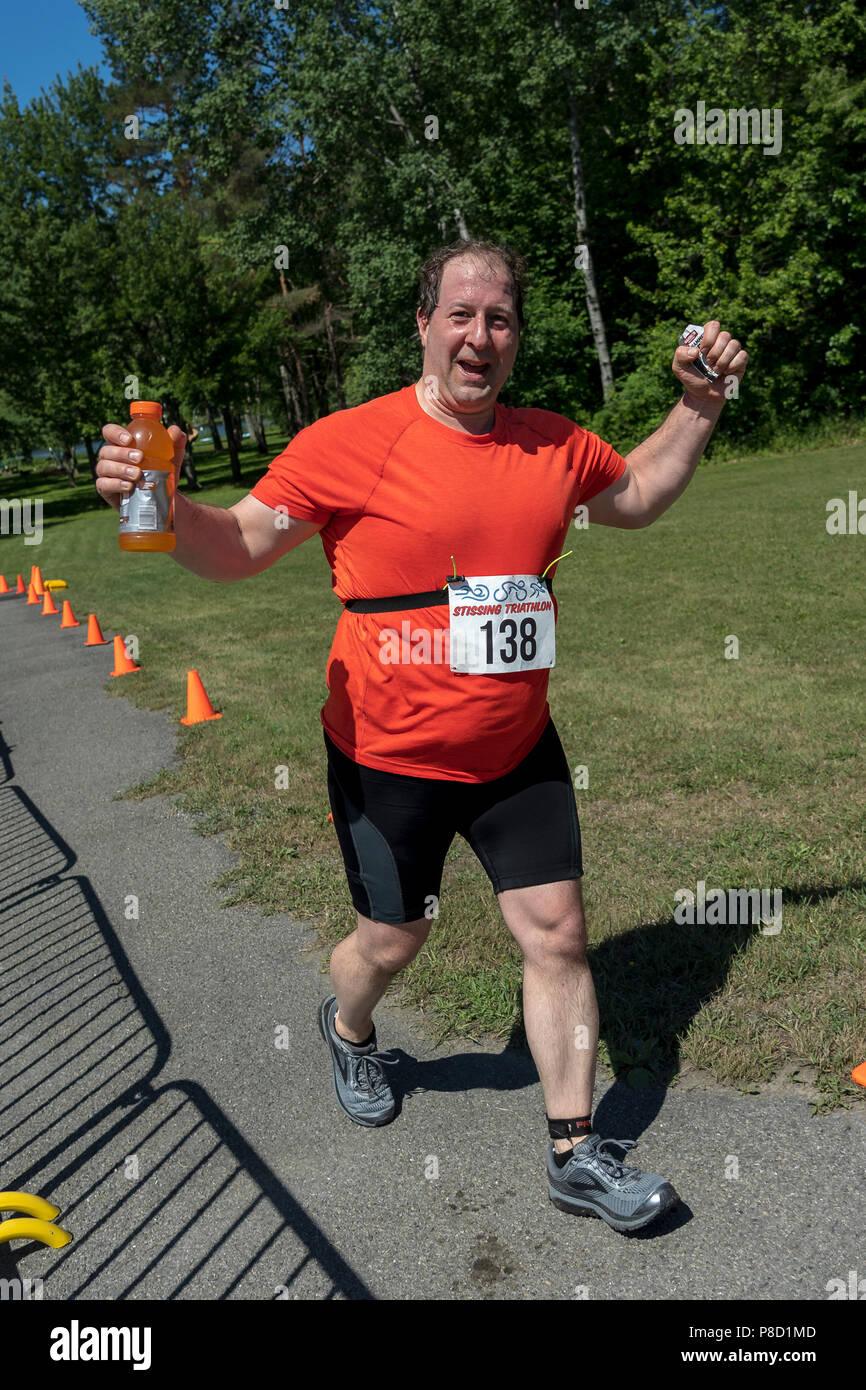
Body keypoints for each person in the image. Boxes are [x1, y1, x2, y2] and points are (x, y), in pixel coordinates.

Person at [96, 239, 747, 1234]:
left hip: (513, 749)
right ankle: (348, 1025)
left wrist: (696, 406)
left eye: (498, 319)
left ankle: (575, 1151)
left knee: (558, 933)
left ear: (514, 337)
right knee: (393, 937)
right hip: (385, 757)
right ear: (422, 325)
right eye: (460, 314)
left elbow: (640, 494)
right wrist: (160, 502)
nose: (478, 335)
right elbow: (236, 549)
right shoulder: (345, 443)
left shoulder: (548, 443)